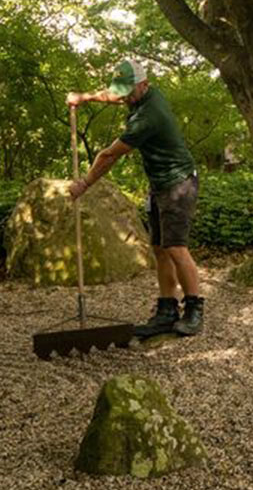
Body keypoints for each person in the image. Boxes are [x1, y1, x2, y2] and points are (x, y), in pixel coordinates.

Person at [66, 59, 203, 337]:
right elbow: (114, 95)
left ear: (143, 84)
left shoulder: (148, 116)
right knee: (160, 249)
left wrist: (84, 184)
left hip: (179, 184)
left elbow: (109, 156)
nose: (124, 96)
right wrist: (86, 97)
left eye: (129, 90)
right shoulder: (142, 94)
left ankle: (194, 310)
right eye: (122, 89)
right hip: (159, 185)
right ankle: (167, 311)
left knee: (176, 248)